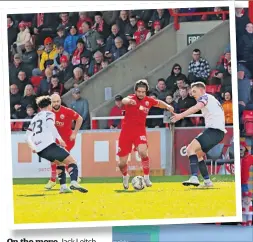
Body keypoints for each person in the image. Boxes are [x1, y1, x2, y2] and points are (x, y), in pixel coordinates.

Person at [118, 79, 174, 189]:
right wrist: (128, 101)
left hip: (140, 131)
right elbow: (124, 100)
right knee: (122, 163)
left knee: (143, 152)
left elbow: (158, 103)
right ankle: (125, 176)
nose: (141, 94)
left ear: (146, 92)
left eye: (143, 92)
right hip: (126, 132)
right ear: (135, 91)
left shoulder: (148, 100)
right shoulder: (131, 98)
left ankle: (147, 177)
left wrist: (168, 106)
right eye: (139, 91)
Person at [26, 95, 88, 194]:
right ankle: (74, 182)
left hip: (40, 150)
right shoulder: (50, 114)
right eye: (52, 102)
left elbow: (27, 135)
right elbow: (51, 126)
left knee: (59, 163)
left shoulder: (34, 118)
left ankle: (63, 187)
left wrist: (32, 146)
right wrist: (60, 139)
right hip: (50, 145)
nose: (54, 105)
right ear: (49, 104)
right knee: (72, 162)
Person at [171, 82, 226, 187]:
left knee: (189, 149)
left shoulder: (205, 97)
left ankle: (194, 177)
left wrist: (180, 115)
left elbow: (197, 107)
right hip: (218, 133)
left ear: (202, 90)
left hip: (214, 131)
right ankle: (207, 181)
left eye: (194, 91)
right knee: (198, 155)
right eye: (192, 92)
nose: (192, 94)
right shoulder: (212, 99)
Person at [45, 93, 83, 190]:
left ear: (60, 101)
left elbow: (79, 119)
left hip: (67, 140)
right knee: (55, 160)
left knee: (60, 159)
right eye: (54, 102)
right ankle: (71, 178)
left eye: (58, 101)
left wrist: (74, 133)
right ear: (51, 102)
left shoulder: (66, 111)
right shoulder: (48, 112)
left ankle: (55, 181)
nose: (56, 103)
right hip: (55, 140)